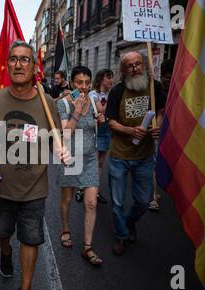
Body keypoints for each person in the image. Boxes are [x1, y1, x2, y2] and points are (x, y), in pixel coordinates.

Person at [0, 40, 67, 290]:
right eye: (13, 59)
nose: (18, 64)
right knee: (1, 233)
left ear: (34, 67)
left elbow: (56, 140)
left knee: (30, 238)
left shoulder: (47, 103)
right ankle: (5, 253)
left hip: (34, 188)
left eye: (24, 59)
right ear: (7, 65)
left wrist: (63, 150)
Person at [106, 51, 166, 256]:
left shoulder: (154, 87)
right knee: (117, 203)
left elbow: (161, 111)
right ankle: (122, 235)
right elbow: (110, 121)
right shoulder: (117, 91)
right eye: (130, 66)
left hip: (144, 156)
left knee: (143, 201)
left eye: (138, 64)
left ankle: (130, 221)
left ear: (144, 65)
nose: (135, 68)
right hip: (119, 156)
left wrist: (159, 124)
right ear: (123, 71)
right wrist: (129, 130)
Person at [56, 65, 106, 266]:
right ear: (72, 82)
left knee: (92, 203)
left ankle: (87, 247)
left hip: (90, 157)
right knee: (67, 198)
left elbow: (95, 125)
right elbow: (65, 133)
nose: (83, 87)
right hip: (70, 158)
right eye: (79, 82)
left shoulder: (94, 101)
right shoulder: (64, 104)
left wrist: (100, 119)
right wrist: (76, 111)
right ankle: (65, 228)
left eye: (87, 83)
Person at [76, 69, 114, 204]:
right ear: (101, 79)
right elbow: (101, 110)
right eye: (108, 77)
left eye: (112, 77)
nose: (111, 80)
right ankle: (82, 187)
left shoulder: (111, 93)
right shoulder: (93, 94)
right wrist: (114, 101)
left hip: (106, 129)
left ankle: (95, 190)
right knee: (91, 160)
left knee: (101, 162)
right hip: (95, 129)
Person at [149, 59, 174, 212]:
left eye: (171, 76)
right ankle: (153, 195)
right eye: (166, 76)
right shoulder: (157, 90)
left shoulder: (179, 90)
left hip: (173, 133)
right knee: (154, 163)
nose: (169, 79)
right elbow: (158, 111)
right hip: (159, 131)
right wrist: (156, 127)